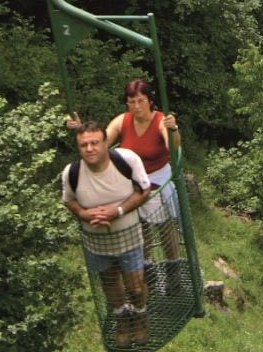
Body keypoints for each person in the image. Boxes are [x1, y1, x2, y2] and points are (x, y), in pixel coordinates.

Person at [68, 79, 182, 265]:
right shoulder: (123, 120)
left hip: (156, 179)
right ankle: (147, 265)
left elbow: (173, 147)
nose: (136, 107)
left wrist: (173, 129)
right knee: (139, 225)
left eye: (141, 101)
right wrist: (81, 130)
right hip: (132, 181)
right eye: (132, 102)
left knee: (163, 224)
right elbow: (101, 143)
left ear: (150, 101)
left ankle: (173, 263)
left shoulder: (160, 121)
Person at [62, 121, 152, 347]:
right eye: (84, 145)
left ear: (105, 143)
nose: (89, 149)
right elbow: (69, 200)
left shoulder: (126, 161)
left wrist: (117, 211)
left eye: (94, 143)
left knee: (136, 285)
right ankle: (122, 320)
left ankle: (141, 316)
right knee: (110, 284)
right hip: (96, 241)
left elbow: (144, 190)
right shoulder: (72, 173)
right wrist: (83, 213)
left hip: (128, 235)